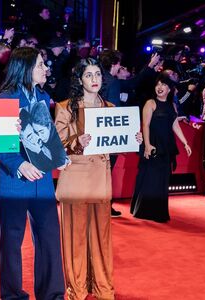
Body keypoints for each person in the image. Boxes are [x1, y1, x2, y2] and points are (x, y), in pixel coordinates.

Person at [0, 47, 66, 300]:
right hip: (13, 182)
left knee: (49, 240)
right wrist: (18, 164)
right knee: (11, 245)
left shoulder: (44, 97)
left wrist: (60, 157)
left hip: (43, 183)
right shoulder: (4, 99)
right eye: (39, 64)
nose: (45, 68)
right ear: (24, 68)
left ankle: (53, 295)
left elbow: (47, 138)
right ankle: (13, 296)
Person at [54, 58, 118, 300]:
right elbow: (56, 145)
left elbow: (116, 142)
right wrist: (75, 142)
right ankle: (77, 290)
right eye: (89, 75)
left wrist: (133, 138)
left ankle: (103, 288)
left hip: (101, 179)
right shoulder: (65, 107)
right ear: (80, 79)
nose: (94, 79)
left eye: (98, 75)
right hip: (76, 178)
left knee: (102, 238)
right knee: (75, 238)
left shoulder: (111, 109)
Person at [130, 73, 192, 223]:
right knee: (150, 177)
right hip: (153, 145)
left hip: (167, 146)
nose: (160, 87)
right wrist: (147, 144)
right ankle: (143, 211)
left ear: (170, 89)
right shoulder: (150, 103)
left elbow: (174, 124)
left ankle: (158, 211)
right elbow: (145, 125)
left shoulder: (172, 105)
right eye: (158, 84)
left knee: (162, 179)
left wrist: (185, 142)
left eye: (163, 85)